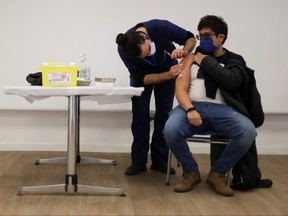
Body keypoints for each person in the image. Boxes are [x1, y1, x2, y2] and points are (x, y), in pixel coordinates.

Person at [163, 15, 257, 196]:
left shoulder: (233, 60)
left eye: (207, 36)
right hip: (192, 106)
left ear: (220, 37)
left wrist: (206, 61)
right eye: (200, 36)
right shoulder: (190, 58)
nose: (202, 40)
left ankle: (218, 173)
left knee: (248, 131)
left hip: (224, 110)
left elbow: (234, 83)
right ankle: (191, 172)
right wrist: (190, 109)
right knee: (170, 129)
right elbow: (180, 90)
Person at [116, 19, 196, 175]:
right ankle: (138, 162)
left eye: (147, 50)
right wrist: (166, 75)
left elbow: (191, 38)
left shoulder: (161, 27)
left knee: (164, 115)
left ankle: (160, 160)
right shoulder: (124, 49)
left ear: (146, 37)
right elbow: (141, 78)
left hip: (168, 68)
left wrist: (184, 51)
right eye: (143, 56)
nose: (148, 54)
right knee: (140, 117)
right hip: (144, 76)